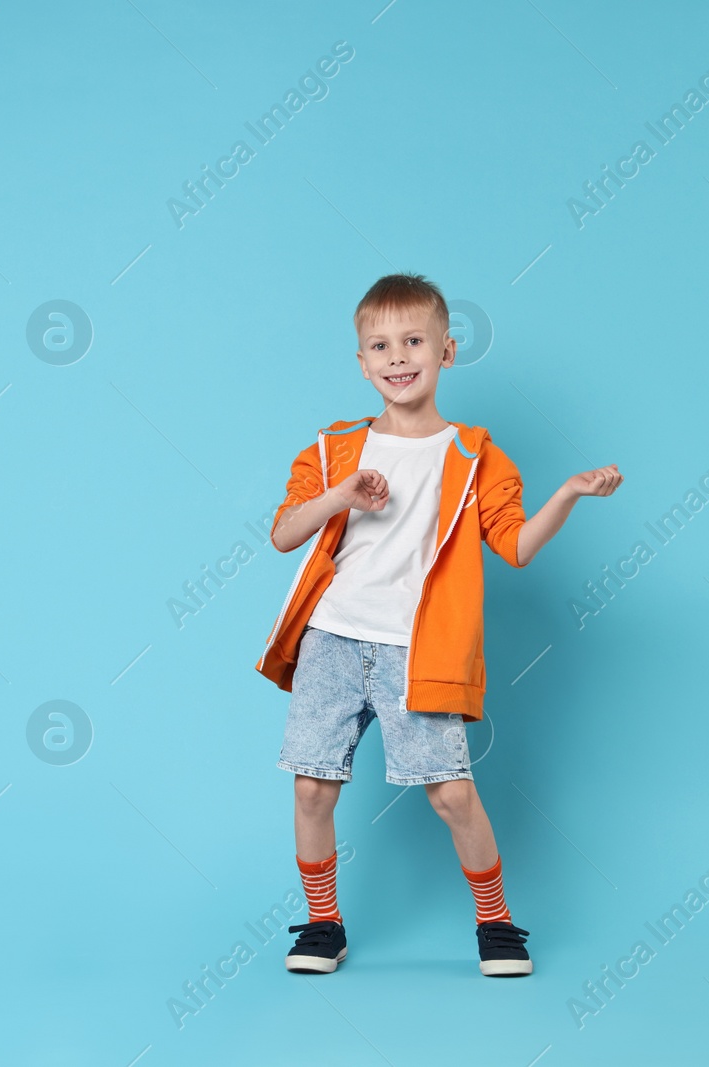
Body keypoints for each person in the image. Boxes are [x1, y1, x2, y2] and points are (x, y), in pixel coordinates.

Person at [254, 273, 623, 977]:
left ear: (446, 350)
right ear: (361, 362)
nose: (398, 356)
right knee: (310, 785)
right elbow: (283, 534)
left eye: (414, 340)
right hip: (332, 638)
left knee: (452, 792)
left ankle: (496, 922)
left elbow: (514, 547)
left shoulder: (474, 453)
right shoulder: (334, 448)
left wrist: (570, 493)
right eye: (380, 345)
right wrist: (342, 495)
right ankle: (323, 923)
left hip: (417, 650)